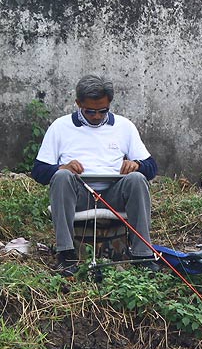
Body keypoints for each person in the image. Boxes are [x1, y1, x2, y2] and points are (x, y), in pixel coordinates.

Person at [31, 75, 159, 275]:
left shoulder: (124, 126)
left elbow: (151, 167)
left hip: (114, 195)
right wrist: (62, 168)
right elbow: (38, 171)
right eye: (90, 111)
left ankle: (142, 254)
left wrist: (136, 165)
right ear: (78, 103)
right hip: (79, 195)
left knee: (137, 179)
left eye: (103, 111)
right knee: (62, 178)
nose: (97, 116)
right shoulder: (61, 127)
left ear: (109, 104)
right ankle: (66, 255)